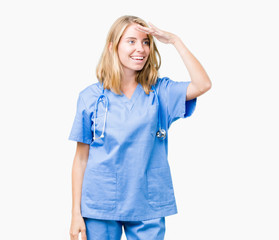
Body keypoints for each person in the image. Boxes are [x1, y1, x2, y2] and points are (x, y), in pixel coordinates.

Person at [68, 15, 211, 240]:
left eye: (146, 42)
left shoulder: (161, 92)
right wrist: (76, 213)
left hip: (147, 202)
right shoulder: (90, 97)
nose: (141, 49)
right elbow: (81, 159)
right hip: (101, 203)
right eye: (131, 41)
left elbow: (203, 84)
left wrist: (174, 40)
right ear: (112, 46)